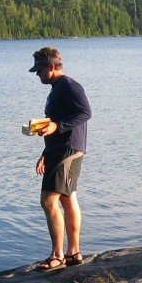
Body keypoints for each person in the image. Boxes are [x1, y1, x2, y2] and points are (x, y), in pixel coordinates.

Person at [27, 47, 92, 271]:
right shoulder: (57, 89)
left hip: (68, 150)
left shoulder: (70, 86)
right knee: (67, 198)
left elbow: (85, 112)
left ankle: (57, 256)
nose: (38, 74)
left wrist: (57, 126)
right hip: (59, 150)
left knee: (48, 201)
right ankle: (73, 253)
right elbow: (57, 121)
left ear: (52, 67)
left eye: (40, 69)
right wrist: (45, 153)